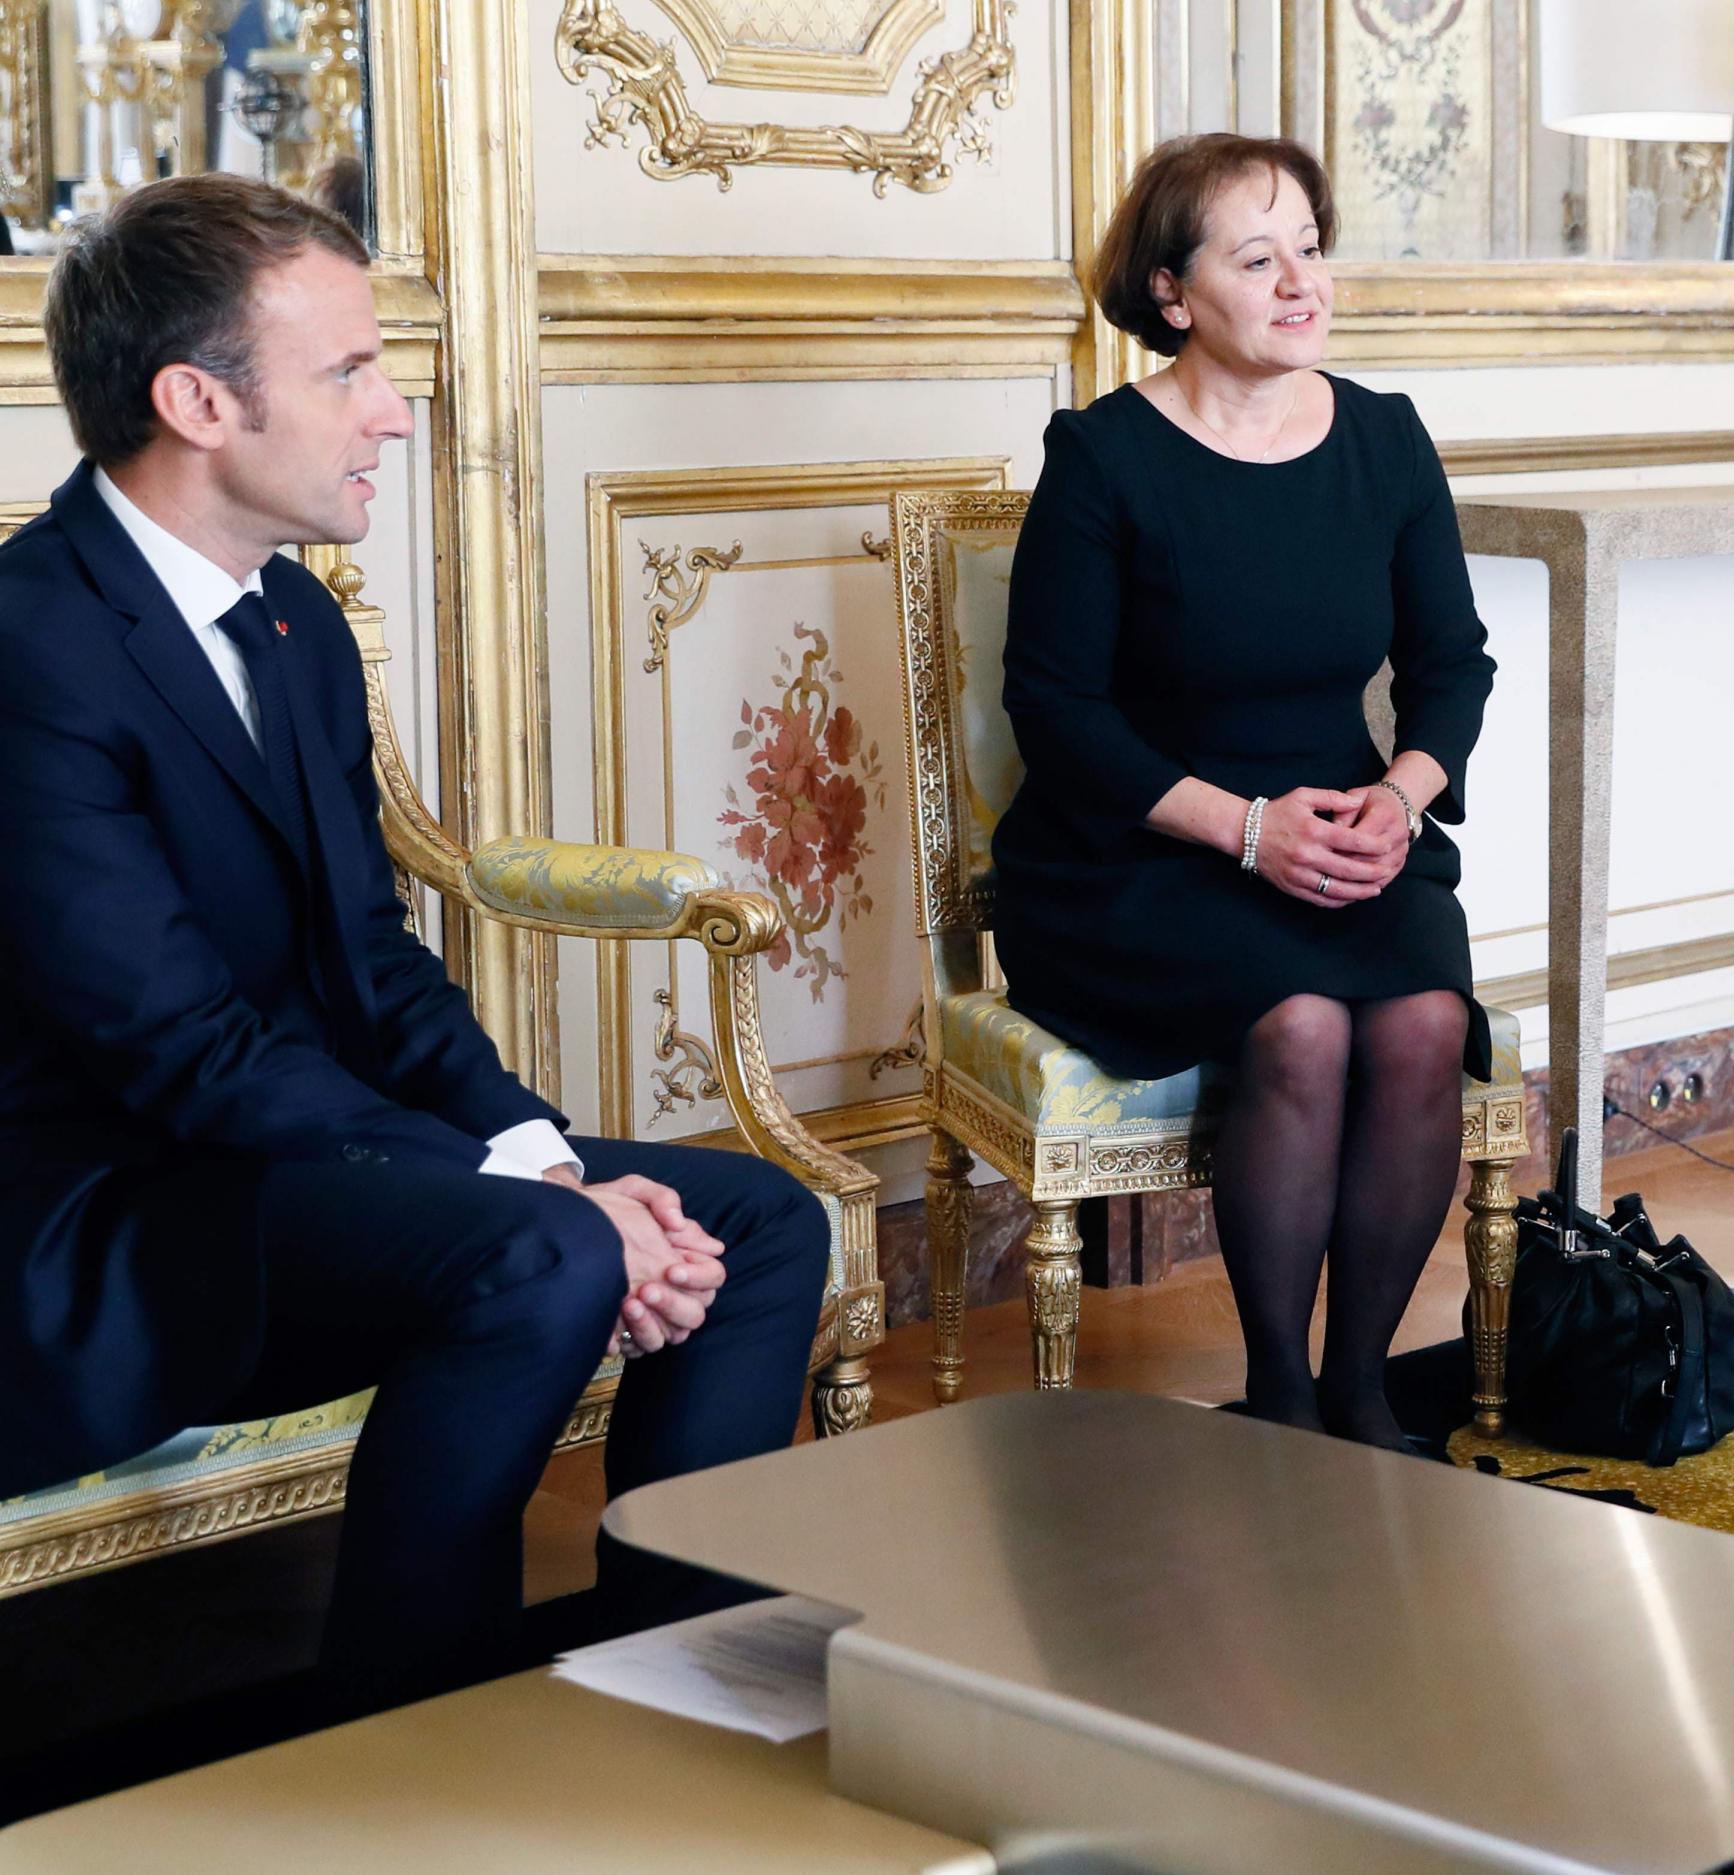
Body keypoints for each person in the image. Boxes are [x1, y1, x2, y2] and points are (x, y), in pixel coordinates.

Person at [0, 173, 829, 1700]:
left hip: (302, 1173)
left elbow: (374, 967)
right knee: (539, 1250)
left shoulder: (295, 625)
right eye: (349, 372)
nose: (394, 413)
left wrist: (541, 1144)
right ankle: (414, 1733)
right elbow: (179, 1050)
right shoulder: (31, 645)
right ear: (198, 402)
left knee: (761, 1221)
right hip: (110, 1218)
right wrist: (540, 1188)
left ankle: (672, 1676)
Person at [995, 134, 1496, 1451]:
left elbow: (1451, 665)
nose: (1300, 284)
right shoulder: (1105, 460)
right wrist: (1243, 827)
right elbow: (1056, 713)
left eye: (1311, 250)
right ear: (1174, 295)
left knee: (1423, 1024)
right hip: (1145, 850)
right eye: (1256, 256)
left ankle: (1363, 1387)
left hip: (1346, 831)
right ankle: (1278, 1393)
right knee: (1303, 1027)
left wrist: (1403, 792)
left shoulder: (1383, 440)